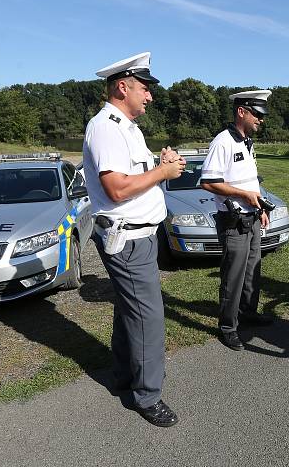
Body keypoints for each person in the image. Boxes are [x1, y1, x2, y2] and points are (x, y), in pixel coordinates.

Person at [82, 52, 186, 427]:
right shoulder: (107, 127)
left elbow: (134, 176)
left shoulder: (125, 127)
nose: (150, 96)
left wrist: (160, 164)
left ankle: (124, 374)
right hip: (127, 239)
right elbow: (116, 189)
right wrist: (163, 171)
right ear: (123, 87)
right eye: (145, 88)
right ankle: (148, 396)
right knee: (148, 317)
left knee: (131, 310)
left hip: (138, 237)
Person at [200, 90, 275, 351]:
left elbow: (251, 182)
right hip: (233, 221)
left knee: (253, 270)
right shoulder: (223, 142)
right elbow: (209, 183)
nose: (261, 120)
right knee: (234, 275)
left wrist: (261, 207)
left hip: (253, 217)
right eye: (257, 114)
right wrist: (243, 195)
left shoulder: (247, 142)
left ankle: (249, 312)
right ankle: (228, 327)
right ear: (241, 111)